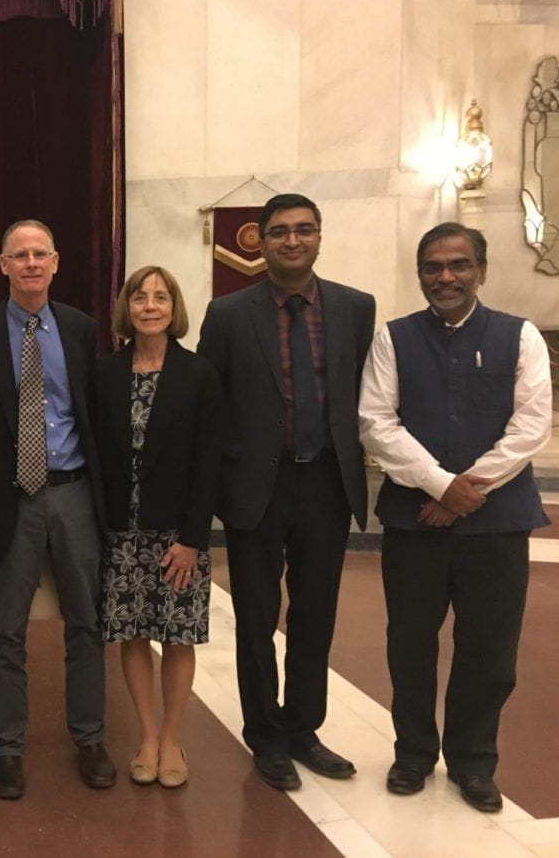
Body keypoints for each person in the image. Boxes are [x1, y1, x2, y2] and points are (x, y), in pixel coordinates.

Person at [359, 222, 552, 813]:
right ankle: (414, 752)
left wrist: (467, 490)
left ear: (482, 271)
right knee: (409, 643)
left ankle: (473, 761)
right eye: (433, 267)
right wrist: (442, 485)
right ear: (420, 274)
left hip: (495, 525)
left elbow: (531, 426)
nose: (445, 277)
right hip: (416, 522)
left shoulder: (521, 337)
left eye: (458, 265)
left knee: (489, 649)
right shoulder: (393, 338)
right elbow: (376, 421)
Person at [197, 193, 375, 791]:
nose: (291, 241)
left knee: (315, 614)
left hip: (326, 479)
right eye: (279, 232)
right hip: (256, 487)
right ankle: (265, 735)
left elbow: (363, 393)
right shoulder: (227, 314)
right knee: (255, 615)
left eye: (303, 230)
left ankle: (304, 728)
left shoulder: (355, 309)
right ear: (262, 242)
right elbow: (209, 403)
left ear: (320, 237)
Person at [0, 219, 115, 800]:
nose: (30, 263)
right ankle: (9, 750)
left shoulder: (81, 329)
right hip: (11, 500)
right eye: (19, 255)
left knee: (86, 623)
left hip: (73, 493)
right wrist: (4, 474)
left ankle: (90, 739)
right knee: (5, 631)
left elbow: (92, 412)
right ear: (2, 265)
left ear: (56, 261)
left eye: (40, 253)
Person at [92, 266, 221, 788]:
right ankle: (146, 734)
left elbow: (209, 461)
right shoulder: (105, 373)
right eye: (140, 297)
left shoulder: (199, 374)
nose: (149, 305)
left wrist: (192, 538)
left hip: (178, 535)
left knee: (178, 636)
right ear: (127, 308)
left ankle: (172, 737)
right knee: (133, 635)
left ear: (174, 308)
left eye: (160, 297)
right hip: (122, 532)